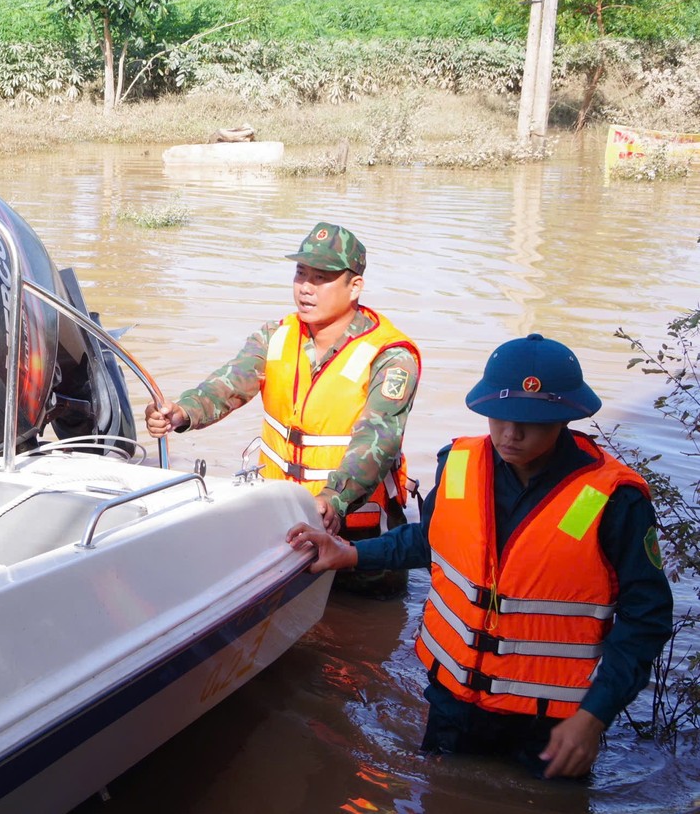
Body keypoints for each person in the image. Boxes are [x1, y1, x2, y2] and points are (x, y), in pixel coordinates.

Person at [287, 334, 674, 779]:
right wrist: (349, 553)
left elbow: (647, 617)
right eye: (501, 417)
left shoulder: (613, 499)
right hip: (453, 705)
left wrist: (594, 716)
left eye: (534, 421)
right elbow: (430, 540)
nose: (511, 433)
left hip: (551, 726)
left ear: (567, 417)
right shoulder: (459, 464)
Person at [145, 221, 421, 596]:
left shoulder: (391, 357)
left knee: (360, 640)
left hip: (361, 539)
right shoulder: (274, 336)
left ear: (354, 286)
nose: (306, 288)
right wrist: (182, 412)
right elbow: (227, 385)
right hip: (285, 526)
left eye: (321, 277)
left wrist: (333, 500)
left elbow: (379, 439)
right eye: (300, 273)